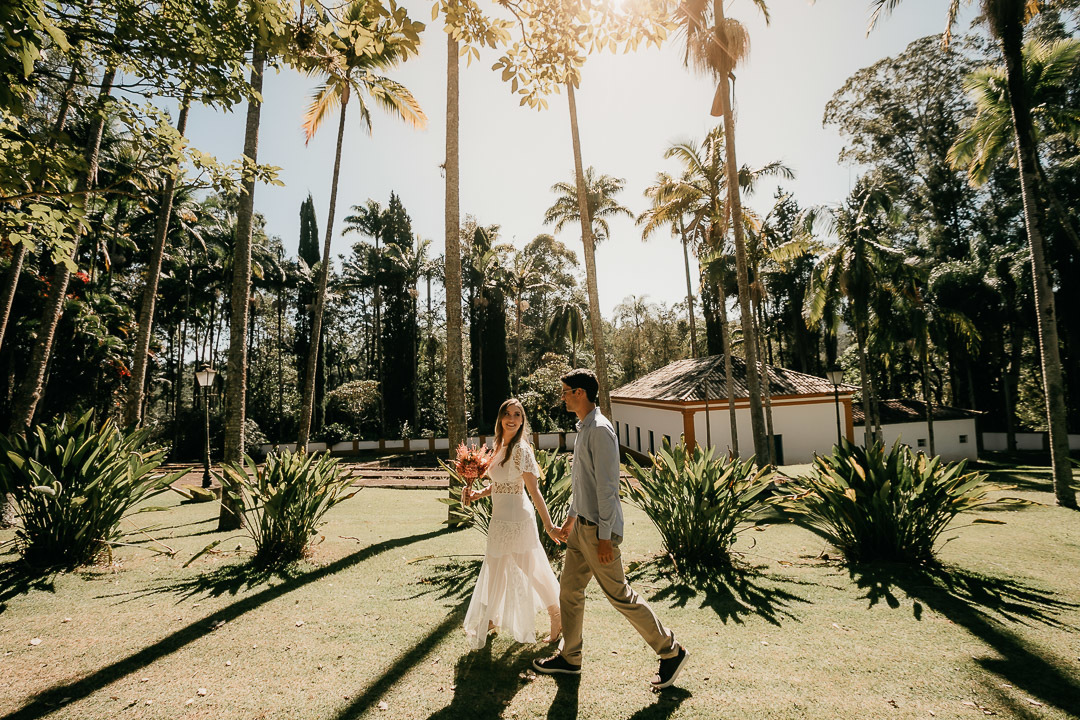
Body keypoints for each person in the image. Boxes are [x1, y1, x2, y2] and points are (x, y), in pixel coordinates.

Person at [533, 369, 689, 689]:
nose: (562, 396)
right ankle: (570, 658)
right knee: (570, 590)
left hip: (597, 533)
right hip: (582, 529)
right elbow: (584, 484)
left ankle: (671, 651)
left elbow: (607, 488)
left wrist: (604, 538)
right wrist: (571, 519)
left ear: (580, 393)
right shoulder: (585, 427)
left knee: (620, 595)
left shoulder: (601, 430)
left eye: (565, 391)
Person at [461, 398, 563, 650]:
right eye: (507, 413)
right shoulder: (498, 446)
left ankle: (557, 615)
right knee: (495, 569)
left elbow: (533, 491)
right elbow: (500, 484)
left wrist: (549, 526)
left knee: (532, 570)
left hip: (518, 519)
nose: (512, 418)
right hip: (499, 520)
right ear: (500, 418)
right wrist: (477, 494)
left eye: (517, 414)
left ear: (522, 420)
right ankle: (493, 618)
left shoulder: (521, 450)